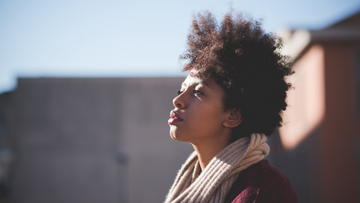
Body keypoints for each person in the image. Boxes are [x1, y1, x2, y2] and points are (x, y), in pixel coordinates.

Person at [165, 11, 298, 203]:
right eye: (181, 89)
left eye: (198, 92)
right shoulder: (191, 183)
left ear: (233, 115)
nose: (178, 100)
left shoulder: (264, 190)